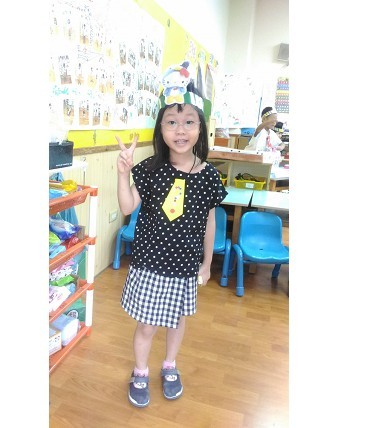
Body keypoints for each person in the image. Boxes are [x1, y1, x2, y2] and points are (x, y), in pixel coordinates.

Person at [115, 60, 228, 408]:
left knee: (177, 322)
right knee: (147, 325)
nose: (181, 130)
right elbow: (127, 207)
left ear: (200, 128)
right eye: (172, 122)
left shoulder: (209, 176)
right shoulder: (150, 169)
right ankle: (140, 371)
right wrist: (123, 174)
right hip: (150, 263)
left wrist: (206, 264)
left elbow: (209, 222)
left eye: (189, 122)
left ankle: (169, 365)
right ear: (161, 129)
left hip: (185, 266)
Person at [245, 106, 285, 173]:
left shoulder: (272, 133)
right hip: (250, 160)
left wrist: (281, 147)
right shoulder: (260, 130)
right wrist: (267, 122)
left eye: (275, 121)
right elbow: (258, 129)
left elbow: (282, 143)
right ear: (264, 119)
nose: (274, 123)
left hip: (262, 162)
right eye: (272, 120)